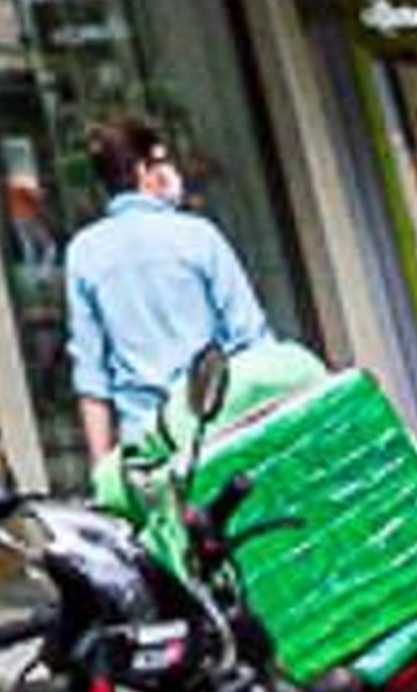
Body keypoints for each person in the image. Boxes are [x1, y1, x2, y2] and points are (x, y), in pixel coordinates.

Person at [62, 116, 268, 475]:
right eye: (164, 161)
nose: (173, 173)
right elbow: (251, 340)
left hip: (149, 454)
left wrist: (105, 478)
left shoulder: (83, 253)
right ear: (143, 170)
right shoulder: (198, 236)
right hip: (222, 432)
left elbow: (92, 380)